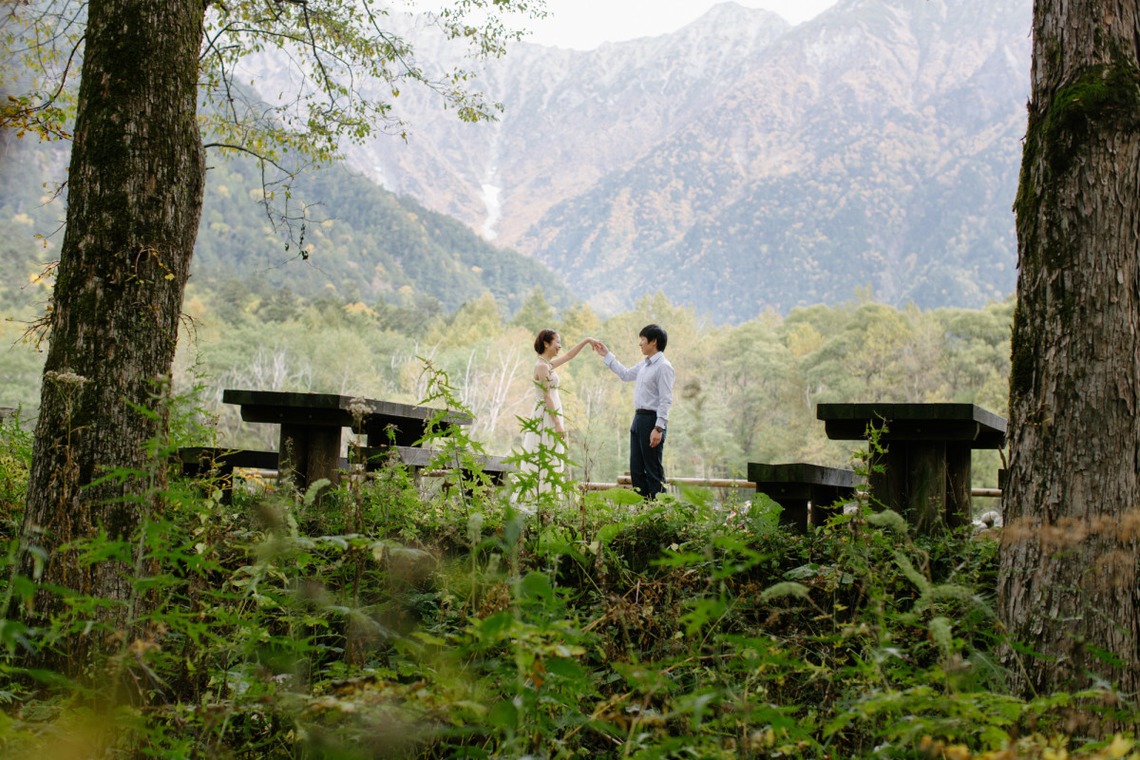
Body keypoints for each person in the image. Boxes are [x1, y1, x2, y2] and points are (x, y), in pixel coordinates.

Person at [593, 324, 674, 499]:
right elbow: (625, 374)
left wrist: (658, 428)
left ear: (653, 342)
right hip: (638, 419)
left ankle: (661, 512)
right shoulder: (645, 365)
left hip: (652, 421)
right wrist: (606, 355)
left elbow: (666, 399)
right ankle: (644, 511)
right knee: (636, 470)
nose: (640, 344)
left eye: (643, 340)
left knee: (653, 471)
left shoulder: (664, 366)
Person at [521, 329, 596, 475]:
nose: (560, 346)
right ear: (546, 343)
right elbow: (547, 396)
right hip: (547, 415)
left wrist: (587, 340)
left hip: (553, 412)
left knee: (552, 453)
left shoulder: (548, 364)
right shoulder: (542, 366)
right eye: (558, 342)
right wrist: (557, 424)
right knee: (547, 452)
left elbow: (569, 355)